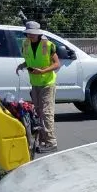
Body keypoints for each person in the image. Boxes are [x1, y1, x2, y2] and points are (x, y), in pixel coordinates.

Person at [15, 21, 60, 153]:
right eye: (29, 34)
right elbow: (29, 60)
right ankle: (42, 141)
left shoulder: (47, 45)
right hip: (35, 84)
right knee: (38, 113)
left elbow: (57, 64)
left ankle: (51, 143)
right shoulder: (25, 44)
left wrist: (43, 71)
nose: (30, 36)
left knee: (46, 113)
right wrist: (23, 65)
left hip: (47, 83)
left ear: (38, 33)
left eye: (33, 34)